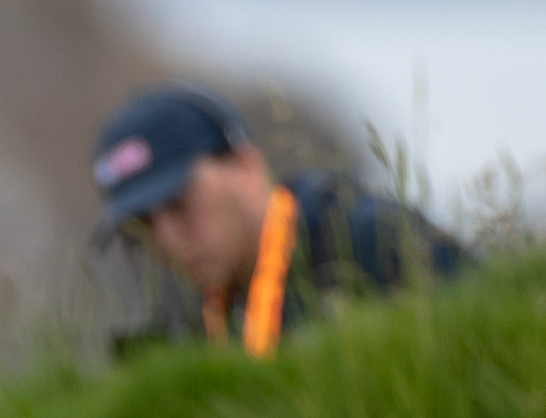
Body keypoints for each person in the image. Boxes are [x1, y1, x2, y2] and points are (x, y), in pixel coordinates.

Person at [89, 83, 468, 357]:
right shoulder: (188, 325)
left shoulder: (375, 240)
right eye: (142, 224)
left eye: (177, 201)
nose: (168, 238)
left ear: (246, 164)